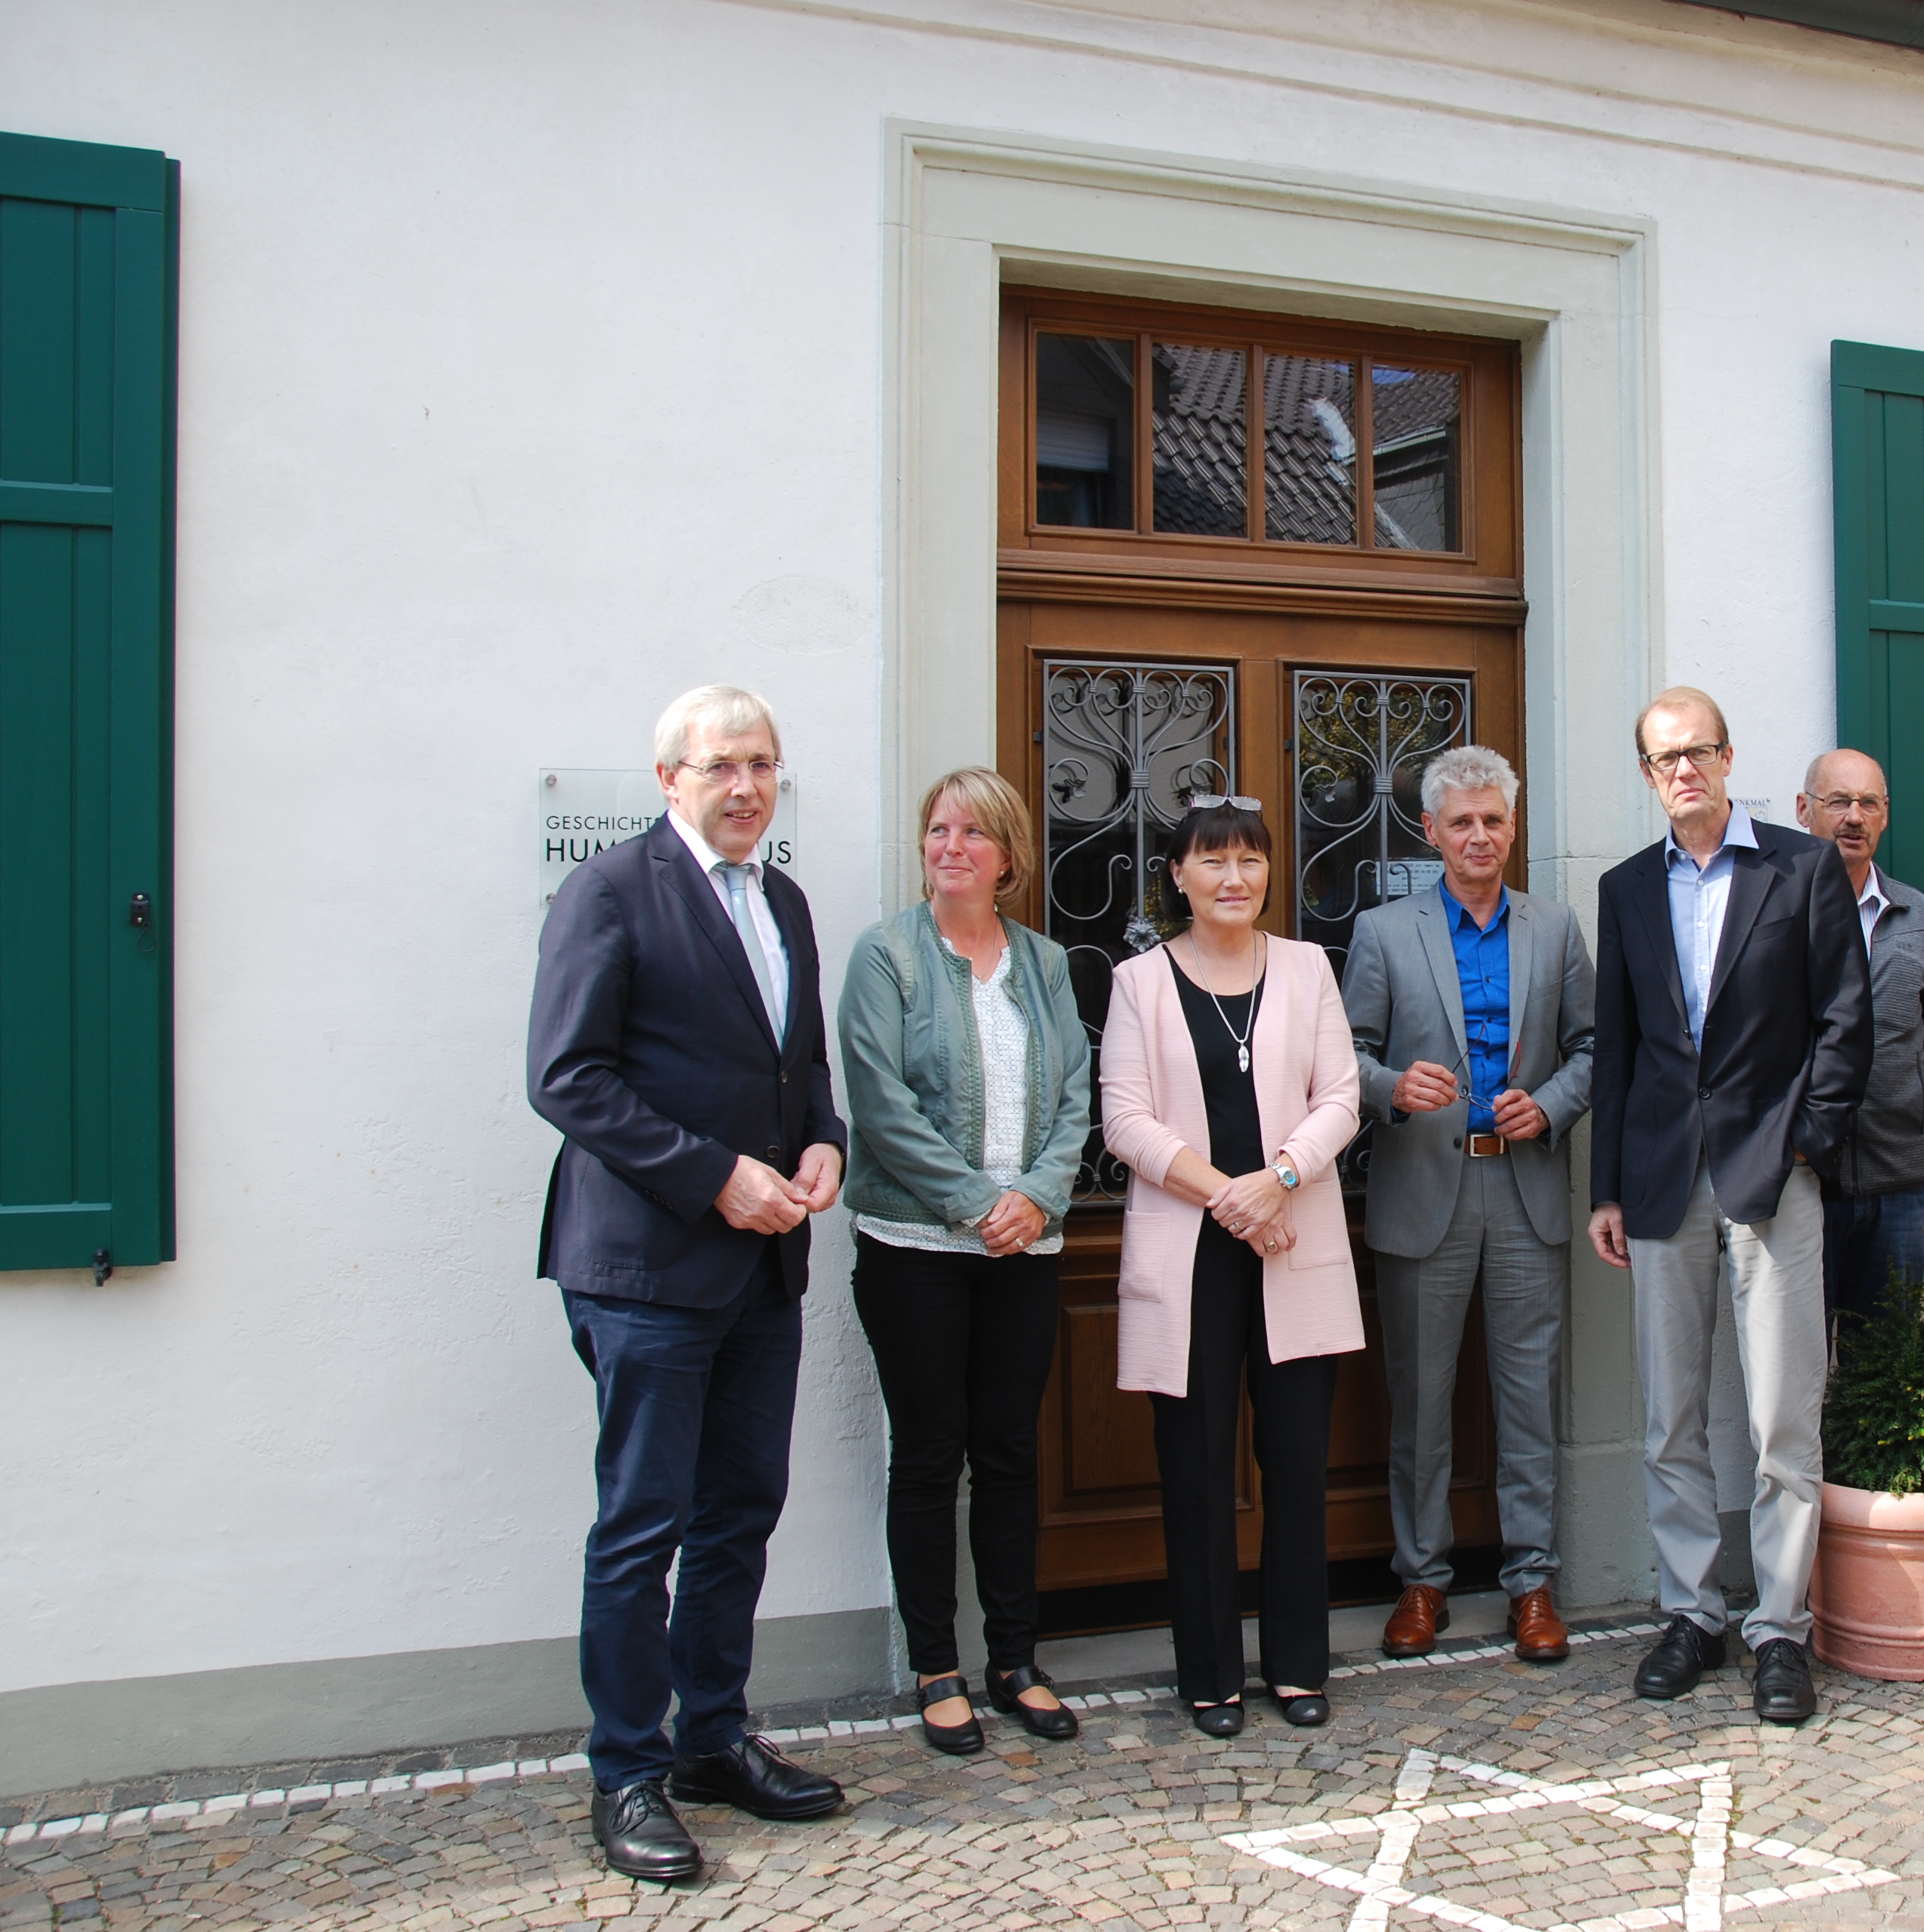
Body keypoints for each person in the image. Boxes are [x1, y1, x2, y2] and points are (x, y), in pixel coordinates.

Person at [527, 684, 848, 1884]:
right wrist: (716, 1178)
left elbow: (800, 1064)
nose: (746, 786)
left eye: (762, 763)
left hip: (766, 1266)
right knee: (640, 1528)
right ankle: (628, 1771)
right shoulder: (609, 892)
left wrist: (826, 1144)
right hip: (647, 1268)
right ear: (670, 779)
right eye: (721, 765)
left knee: (737, 1514)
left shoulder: (788, 901)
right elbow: (567, 1078)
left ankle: (714, 1736)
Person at [1589, 687, 1873, 1726]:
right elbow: (1617, 1048)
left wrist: (1807, 1141)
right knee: (1671, 1417)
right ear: (1648, 774)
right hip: (1662, 1180)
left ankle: (1780, 1631)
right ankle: (1691, 1613)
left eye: (1699, 751)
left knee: (1780, 1417)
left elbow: (1848, 1020)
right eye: (1665, 758)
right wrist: (1607, 1186)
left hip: (1772, 1177)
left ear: (1728, 755)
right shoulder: (1626, 890)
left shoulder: (1798, 870)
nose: (1684, 771)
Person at [837, 767, 1094, 1757]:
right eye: (937, 830)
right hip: (915, 1249)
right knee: (930, 1452)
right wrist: (979, 1203)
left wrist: (1035, 1200)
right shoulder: (887, 957)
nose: (950, 847)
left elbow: (1076, 1091)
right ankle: (936, 1665)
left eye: (973, 834)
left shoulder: (1042, 962)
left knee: (1011, 1454)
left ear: (1009, 855)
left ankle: (1016, 1660)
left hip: (1024, 1248)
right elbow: (882, 1105)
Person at [1100, 796, 1365, 1738]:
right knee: (1198, 1468)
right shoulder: (1139, 982)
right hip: (1194, 1249)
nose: (1233, 878)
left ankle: (1297, 1666)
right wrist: (1233, 1196)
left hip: (1294, 1239)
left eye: (1249, 860)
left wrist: (1280, 1178)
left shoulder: (1306, 969)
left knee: (1295, 1463)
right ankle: (1208, 1673)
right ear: (1177, 876)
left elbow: (1339, 1096)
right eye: (1211, 861)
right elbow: (1125, 1121)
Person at [1342, 746, 1595, 1665]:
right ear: (1431, 832)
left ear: (1512, 827)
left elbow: (1594, 1046)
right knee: (1421, 1401)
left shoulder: (1556, 927)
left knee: (1528, 1401)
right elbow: (1345, 1056)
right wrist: (1388, 1085)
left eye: (1493, 820)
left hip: (1523, 1186)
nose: (1479, 836)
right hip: (1422, 1191)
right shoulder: (1384, 932)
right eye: (1461, 823)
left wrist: (1556, 1103)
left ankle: (1531, 1583)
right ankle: (1422, 1581)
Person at [1794, 749, 1924, 1332]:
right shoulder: (1772, 917)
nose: (1853, 817)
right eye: (1838, 802)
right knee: (1797, 1367)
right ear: (1805, 810)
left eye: (1869, 803)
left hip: (1899, 1187)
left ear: (1885, 817)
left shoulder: (1920, 919)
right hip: (1800, 1181)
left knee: (1885, 1367)